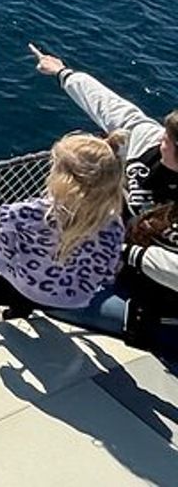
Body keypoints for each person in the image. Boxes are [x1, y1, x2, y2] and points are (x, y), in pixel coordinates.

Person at [28, 44, 178, 350]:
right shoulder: (146, 144)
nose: (161, 139)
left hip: (154, 301)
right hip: (112, 260)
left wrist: (125, 252)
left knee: (45, 300)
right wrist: (62, 72)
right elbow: (108, 105)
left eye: (170, 140)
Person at [0, 134, 125, 328]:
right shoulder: (113, 224)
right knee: (26, 297)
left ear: (65, 180)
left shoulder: (39, 212)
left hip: (27, 283)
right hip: (67, 296)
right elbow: (109, 269)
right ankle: (15, 317)